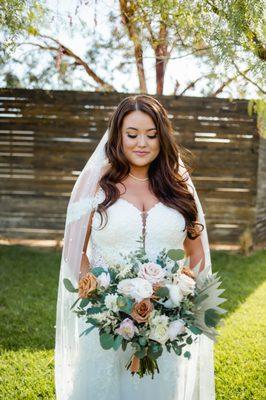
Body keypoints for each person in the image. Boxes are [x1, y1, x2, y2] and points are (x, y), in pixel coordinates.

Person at [55, 95, 215, 400]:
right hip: (106, 322)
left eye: (152, 135)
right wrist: (101, 298)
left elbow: (196, 253)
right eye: (132, 134)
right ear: (118, 137)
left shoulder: (179, 189)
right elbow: (75, 252)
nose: (142, 143)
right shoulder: (96, 187)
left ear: (162, 138)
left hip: (165, 327)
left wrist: (178, 300)